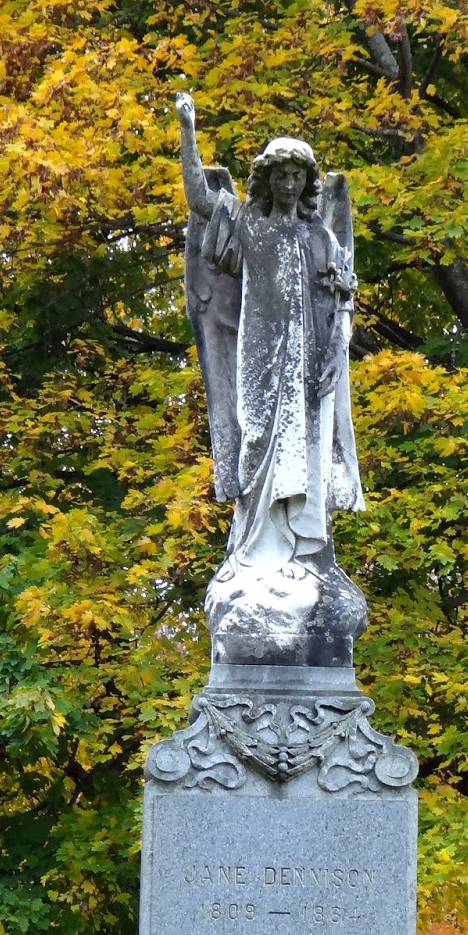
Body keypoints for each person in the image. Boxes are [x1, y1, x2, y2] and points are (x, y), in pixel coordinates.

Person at [175, 92, 363, 600]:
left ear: (306, 182)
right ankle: (255, 549)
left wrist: (334, 353)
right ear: (267, 178)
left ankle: (302, 554)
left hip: (308, 358)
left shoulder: (321, 236)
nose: (287, 183)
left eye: (296, 176)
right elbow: (197, 198)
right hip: (259, 355)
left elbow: (342, 302)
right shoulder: (246, 220)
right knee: (256, 440)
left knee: (303, 449)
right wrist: (187, 131)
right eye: (279, 174)